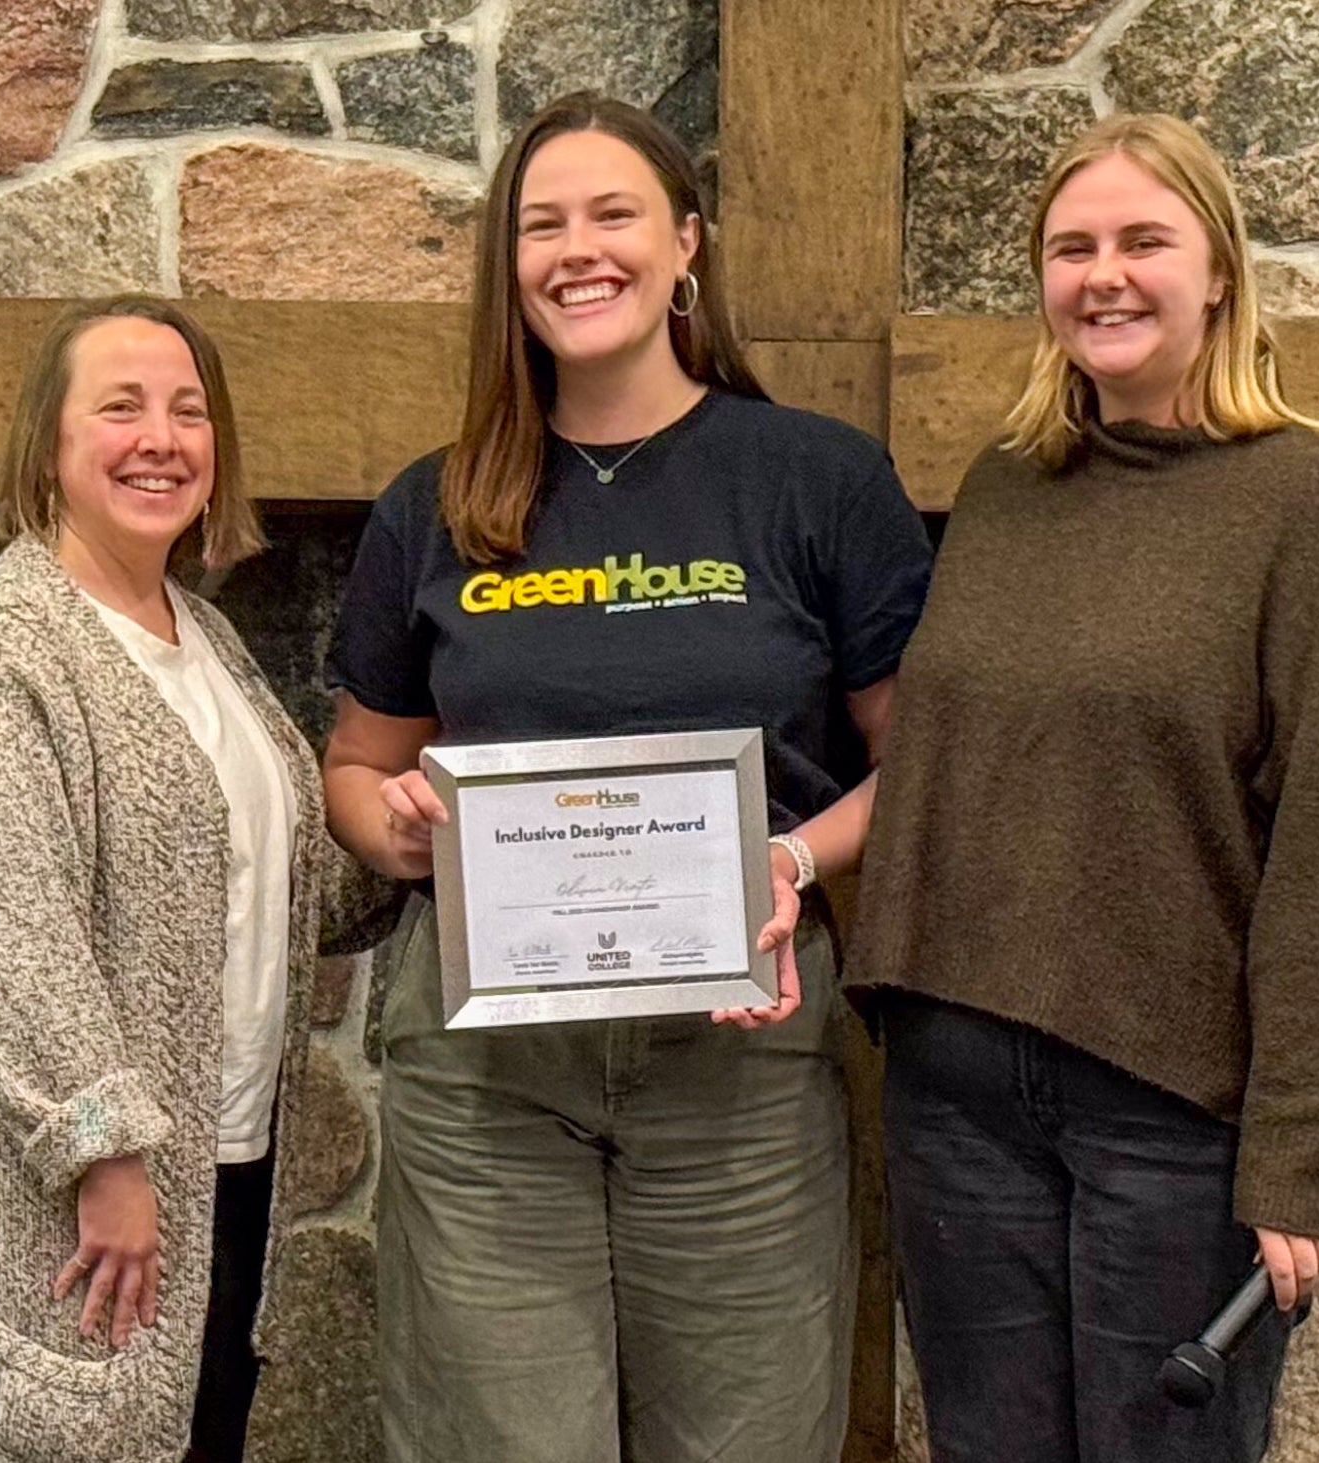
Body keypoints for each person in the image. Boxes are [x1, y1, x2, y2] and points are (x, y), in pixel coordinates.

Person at [321, 92, 932, 1463]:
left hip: (739, 1055)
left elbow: (924, 764)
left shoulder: (820, 481)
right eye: (543, 224)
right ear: (509, 265)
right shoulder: (433, 502)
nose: (577, 251)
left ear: (683, 246)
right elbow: (359, 768)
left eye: (614, 215)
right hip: (485, 1079)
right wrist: (399, 832)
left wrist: (789, 857)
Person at [850, 114, 1319, 1463]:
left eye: (1142, 241)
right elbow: (947, 767)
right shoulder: (1009, 486)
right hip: (958, 1093)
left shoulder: (1309, 509)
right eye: (1072, 248)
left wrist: (1307, 1153)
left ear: (1218, 272)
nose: (1103, 275)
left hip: (1173, 1111)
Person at [0, 295, 394, 1463]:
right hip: (62, 1191)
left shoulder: (202, 635)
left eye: (189, 411)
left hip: (221, 1157)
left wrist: (400, 851)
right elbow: (5, 932)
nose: (161, 438)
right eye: (120, 407)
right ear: (46, 444)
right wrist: (102, 1154)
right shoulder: (4, 643)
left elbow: (249, 884)